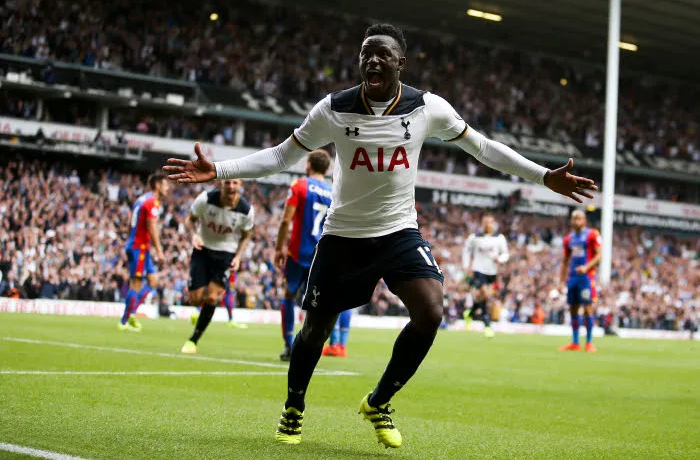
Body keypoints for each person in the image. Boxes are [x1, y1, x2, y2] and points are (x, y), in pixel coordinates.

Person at [164, 23, 597, 448]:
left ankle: (379, 401)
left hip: (398, 231)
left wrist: (543, 177)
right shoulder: (333, 108)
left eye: (382, 53)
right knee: (315, 330)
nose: (372, 59)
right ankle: (294, 407)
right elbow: (281, 156)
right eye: (365, 53)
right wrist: (218, 169)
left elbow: (483, 148)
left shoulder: (427, 108)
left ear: (400, 63)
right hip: (344, 235)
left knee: (430, 312)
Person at [181, 179, 254, 354]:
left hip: (226, 255)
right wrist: (193, 235)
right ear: (221, 183)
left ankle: (193, 340)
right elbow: (189, 220)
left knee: (213, 298)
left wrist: (238, 256)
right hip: (202, 249)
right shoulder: (205, 199)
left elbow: (246, 235)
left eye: (235, 183)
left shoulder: (246, 210)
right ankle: (199, 310)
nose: (231, 187)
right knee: (196, 298)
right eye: (228, 183)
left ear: (240, 185)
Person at [274, 150, 333, 361]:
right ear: (327, 169)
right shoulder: (334, 192)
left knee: (289, 295)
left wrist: (279, 248)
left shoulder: (299, 186)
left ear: (308, 165)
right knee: (316, 303)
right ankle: (309, 346)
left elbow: (285, 220)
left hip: (297, 253)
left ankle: (289, 344)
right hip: (322, 256)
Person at [119, 173, 168, 331]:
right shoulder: (151, 201)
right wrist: (159, 251)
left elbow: (131, 223)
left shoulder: (141, 199)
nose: (167, 188)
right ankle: (124, 321)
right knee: (136, 283)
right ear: (158, 185)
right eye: (165, 184)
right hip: (138, 247)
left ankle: (132, 314)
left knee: (153, 280)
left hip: (139, 246)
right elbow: (151, 227)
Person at [559, 210, 602, 353]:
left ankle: (589, 342)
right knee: (573, 308)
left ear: (584, 220)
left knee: (588, 308)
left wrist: (586, 267)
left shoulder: (592, 234)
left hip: (586, 278)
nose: (576, 221)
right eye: (574, 218)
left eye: (579, 218)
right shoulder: (568, 239)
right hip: (573, 278)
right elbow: (565, 261)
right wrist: (560, 282)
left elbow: (599, 256)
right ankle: (575, 342)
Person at [462, 214, 509, 338]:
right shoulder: (475, 238)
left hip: (492, 272)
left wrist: (500, 259)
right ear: (482, 224)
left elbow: (505, 254)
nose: (488, 225)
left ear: (494, 224)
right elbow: (467, 251)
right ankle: (487, 325)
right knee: (485, 294)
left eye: (490, 222)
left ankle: (470, 313)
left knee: (484, 297)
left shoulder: (499, 238)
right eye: (485, 222)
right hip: (478, 270)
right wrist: (466, 265)